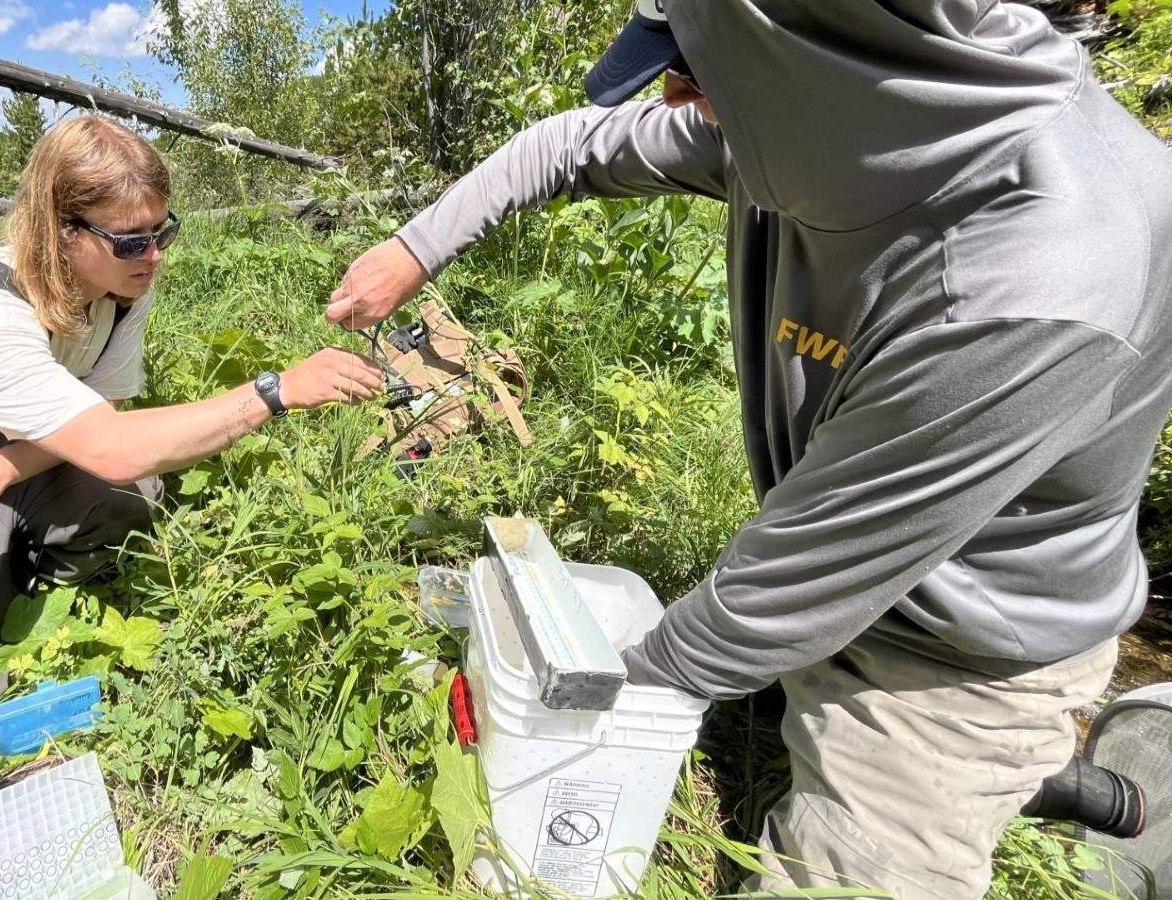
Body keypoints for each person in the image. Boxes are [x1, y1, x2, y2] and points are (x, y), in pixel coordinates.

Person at [326, 1, 1172, 896]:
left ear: (800, 49)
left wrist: (593, 705)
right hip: (826, 577)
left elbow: (798, 578)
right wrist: (412, 248)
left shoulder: (1045, 270)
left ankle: (1018, 766)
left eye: (698, 66)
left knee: (856, 859)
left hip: (955, 655)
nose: (675, 94)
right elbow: (570, 143)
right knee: (776, 682)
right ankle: (1087, 787)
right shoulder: (822, 113)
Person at [0, 115, 384, 747]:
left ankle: (17, 570)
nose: (154, 256)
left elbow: (109, 408)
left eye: (163, 232)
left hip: (9, 462)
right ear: (60, 231)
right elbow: (112, 445)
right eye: (131, 240)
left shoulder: (122, 285)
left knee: (135, 492)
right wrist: (274, 391)